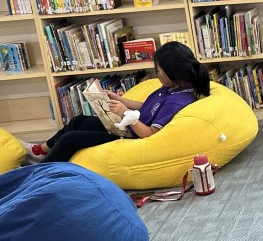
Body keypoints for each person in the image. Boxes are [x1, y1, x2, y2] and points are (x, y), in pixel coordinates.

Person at [22, 41, 210, 163]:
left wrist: (125, 114)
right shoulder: (171, 87)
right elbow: (147, 107)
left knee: (71, 139)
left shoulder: (178, 100)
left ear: (173, 72)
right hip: (126, 125)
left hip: (130, 136)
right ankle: (41, 151)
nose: (158, 75)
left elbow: (150, 134)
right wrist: (120, 100)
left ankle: (40, 174)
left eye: (159, 71)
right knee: (78, 121)